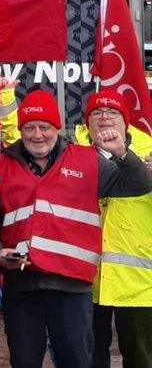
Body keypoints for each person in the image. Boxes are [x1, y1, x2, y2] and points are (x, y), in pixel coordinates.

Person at [0, 90, 152, 368]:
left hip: (72, 286)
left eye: (44, 127)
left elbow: (137, 186)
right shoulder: (3, 164)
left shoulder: (86, 160)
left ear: (58, 127)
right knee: (23, 360)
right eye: (29, 128)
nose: (37, 135)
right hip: (22, 283)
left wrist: (121, 153)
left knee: (79, 361)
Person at [71, 92, 152, 368]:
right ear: (87, 123)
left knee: (141, 358)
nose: (104, 117)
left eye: (112, 112)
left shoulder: (150, 153)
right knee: (89, 358)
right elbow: (23, 142)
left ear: (125, 122)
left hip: (139, 282)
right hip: (86, 279)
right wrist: (6, 95)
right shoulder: (73, 154)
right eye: (97, 112)